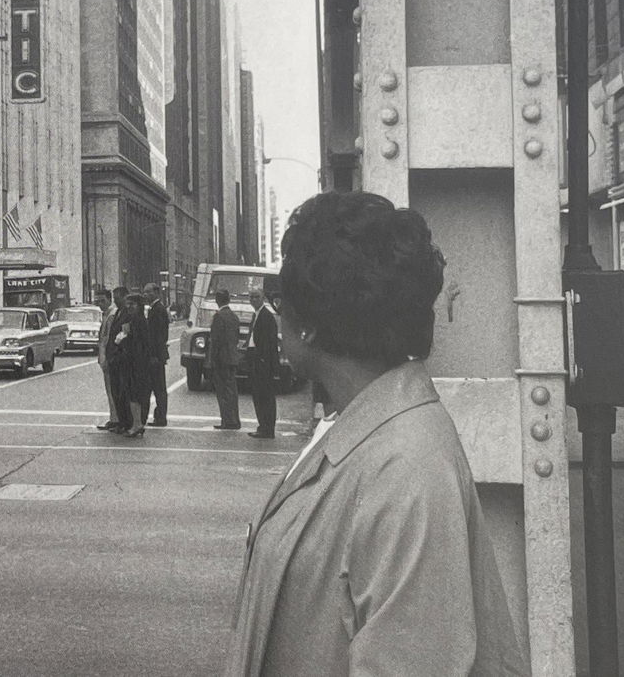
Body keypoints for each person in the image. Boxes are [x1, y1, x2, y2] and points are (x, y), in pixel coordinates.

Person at [224, 191, 527, 677]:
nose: (277, 315)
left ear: (311, 326)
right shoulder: (360, 425)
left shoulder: (407, 466)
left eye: (282, 300)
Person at [107, 294, 151, 438]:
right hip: (134, 361)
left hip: (135, 362)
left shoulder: (138, 321)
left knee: (134, 393)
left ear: (139, 305)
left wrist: (122, 342)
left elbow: (136, 343)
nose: (129, 307)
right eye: (128, 304)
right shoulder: (134, 319)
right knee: (133, 393)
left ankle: (137, 424)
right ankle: (136, 423)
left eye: (132, 304)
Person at [245, 286, 279, 439]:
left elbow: (268, 343)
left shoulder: (266, 316)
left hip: (263, 362)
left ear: (263, 297)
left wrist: (263, 360)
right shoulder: (257, 315)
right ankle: (263, 426)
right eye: (251, 297)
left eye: (256, 297)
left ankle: (267, 428)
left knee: (265, 396)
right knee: (258, 395)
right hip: (256, 359)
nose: (253, 300)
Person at [205, 290, 241, 430]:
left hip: (221, 359)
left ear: (217, 300)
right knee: (232, 390)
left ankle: (227, 421)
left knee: (222, 391)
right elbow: (236, 337)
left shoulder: (218, 317)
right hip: (232, 357)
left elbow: (215, 341)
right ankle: (234, 419)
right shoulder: (234, 317)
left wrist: (211, 360)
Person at [91, 288, 126, 432]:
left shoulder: (111, 314)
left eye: (102, 301)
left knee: (112, 389)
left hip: (108, 355)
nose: (100, 304)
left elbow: (107, 338)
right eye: (97, 301)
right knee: (110, 389)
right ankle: (114, 418)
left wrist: (104, 358)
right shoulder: (107, 314)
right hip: (105, 355)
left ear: (109, 299)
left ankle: (116, 419)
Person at [141, 283, 170, 427]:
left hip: (155, 357)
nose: (145, 295)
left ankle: (160, 417)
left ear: (156, 293)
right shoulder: (156, 309)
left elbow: (158, 336)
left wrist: (154, 355)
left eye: (148, 292)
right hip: (158, 355)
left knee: (158, 388)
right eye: (144, 292)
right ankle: (159, 416)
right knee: (158, 388)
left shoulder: (158, 310)